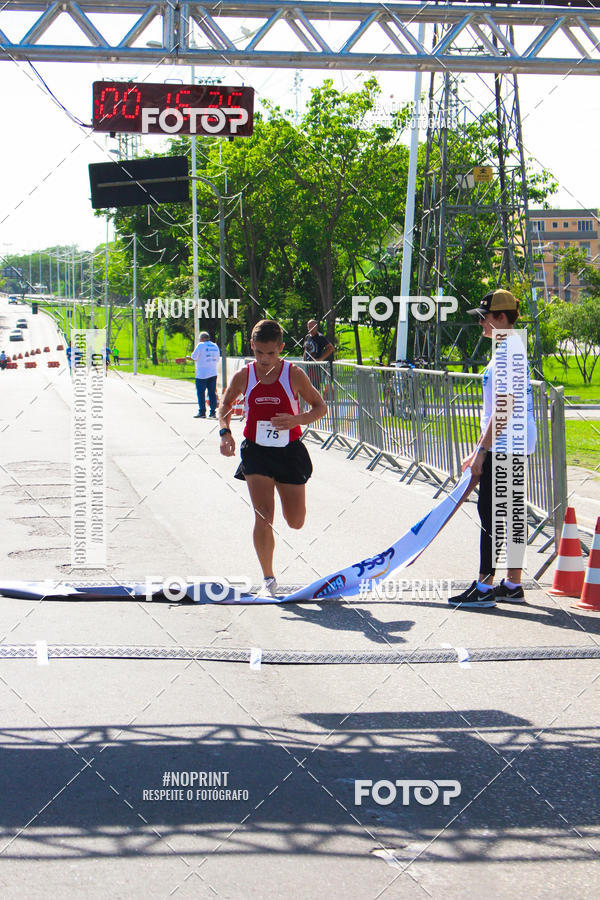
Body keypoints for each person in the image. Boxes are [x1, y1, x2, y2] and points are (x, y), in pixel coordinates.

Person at [218, 319, 327, 596]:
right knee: (263, 516)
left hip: (289, 453)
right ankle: (268, 578)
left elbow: (320, 407)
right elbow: (225, 405)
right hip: (257, 452)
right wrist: (225, 432)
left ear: (281, 348)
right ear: (252, 347)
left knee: (296, 521)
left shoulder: (295, 374)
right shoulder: (245, 375)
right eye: (259, 353)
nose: (265, 360)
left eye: (271, 353)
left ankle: (283, 488)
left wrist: (296, 419)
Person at [448, 289, 537, 609]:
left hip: (506, 443)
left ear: (501, 318)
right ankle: (512, 583)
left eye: (485, 317)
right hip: (512, 441)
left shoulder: (509, 351)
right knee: (511, 514)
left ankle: (484, 587)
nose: (482, 323)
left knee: (490, 512)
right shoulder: (509, 347)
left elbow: (504, 408)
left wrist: (480, 452)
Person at [188, 331, 220, 418]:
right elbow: (217, 359)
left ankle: (202, 411)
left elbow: (194, 357)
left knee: (201, 393)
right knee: (212, 393)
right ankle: (212, 412)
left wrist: (190, 357)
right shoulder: (215, 346)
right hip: (213, 372)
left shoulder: (200, 345)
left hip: (202, 374)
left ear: (202, 339)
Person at [303, 319, 334, 396]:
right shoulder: (307, 337)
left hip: (315, 367)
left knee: (315, 386)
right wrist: (303, 360)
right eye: (308, 326)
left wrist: (321, 359)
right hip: (307, 365)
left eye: (311, 326)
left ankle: (318, 403)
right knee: (306, 385)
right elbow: (305, 350)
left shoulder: (320, 337)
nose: (310, 328)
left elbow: (330, 348)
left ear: (316, 327)